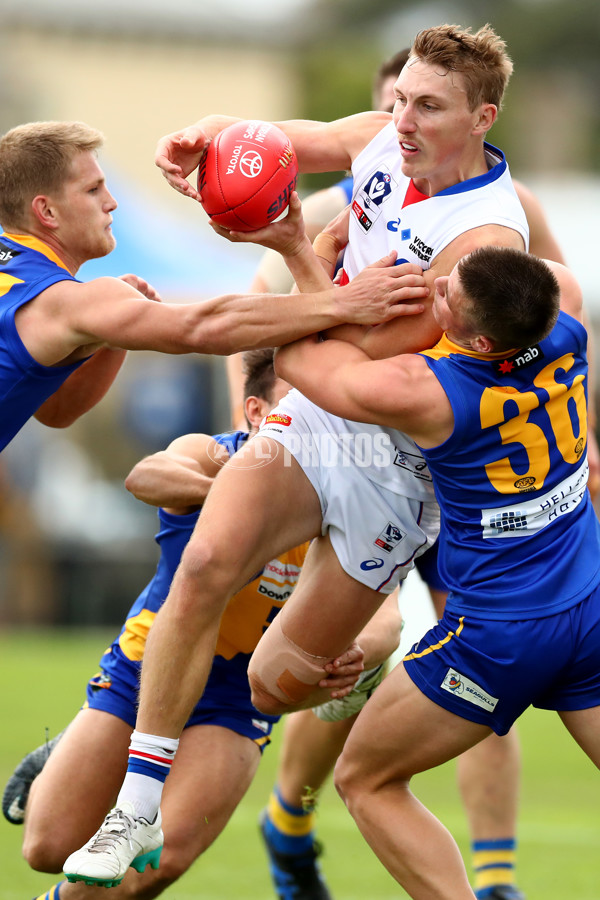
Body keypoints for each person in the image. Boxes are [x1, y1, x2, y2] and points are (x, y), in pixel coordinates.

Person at [64, 23, 537, 886]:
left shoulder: (483, 243)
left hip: (393, 467)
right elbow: (287, 144)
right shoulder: (380, 139)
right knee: (207, 561)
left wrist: (293, 253)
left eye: (427, 106)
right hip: (314, 420)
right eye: (398, 98)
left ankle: (345, 677)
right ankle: (136, 809)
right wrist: (208, 133)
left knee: (276, 685)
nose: (400, 119)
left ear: (482, 116)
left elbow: (357, 360)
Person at [7, 345, 402, 900]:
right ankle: (69, 750)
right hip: (148, 669)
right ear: (256, 414)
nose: (314, 431)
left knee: (157, 864)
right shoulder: (217, 454)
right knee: (47, 848)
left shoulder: (352, 499)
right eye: (298, 409)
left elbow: (388, 616)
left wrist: (357, 647)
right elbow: (148, 475)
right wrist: (245, 503)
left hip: (236, 697)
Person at [272, 245, 599, 900]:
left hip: (497, 639)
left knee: (364, 778)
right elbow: (554, 277)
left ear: (479, 341)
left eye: (447, 295)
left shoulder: (432, 394)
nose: (437, 283)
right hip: (589, 609)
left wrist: (308, 264)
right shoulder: (568, 324)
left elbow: (296, 360)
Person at [0, 120, 418, 454]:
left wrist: (106, 337)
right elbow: (202, 326)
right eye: (93, 190)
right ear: (47, 211)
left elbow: (55, 410)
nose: (112, 202)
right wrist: (343, 303)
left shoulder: (57, 297)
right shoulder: (69, 301)